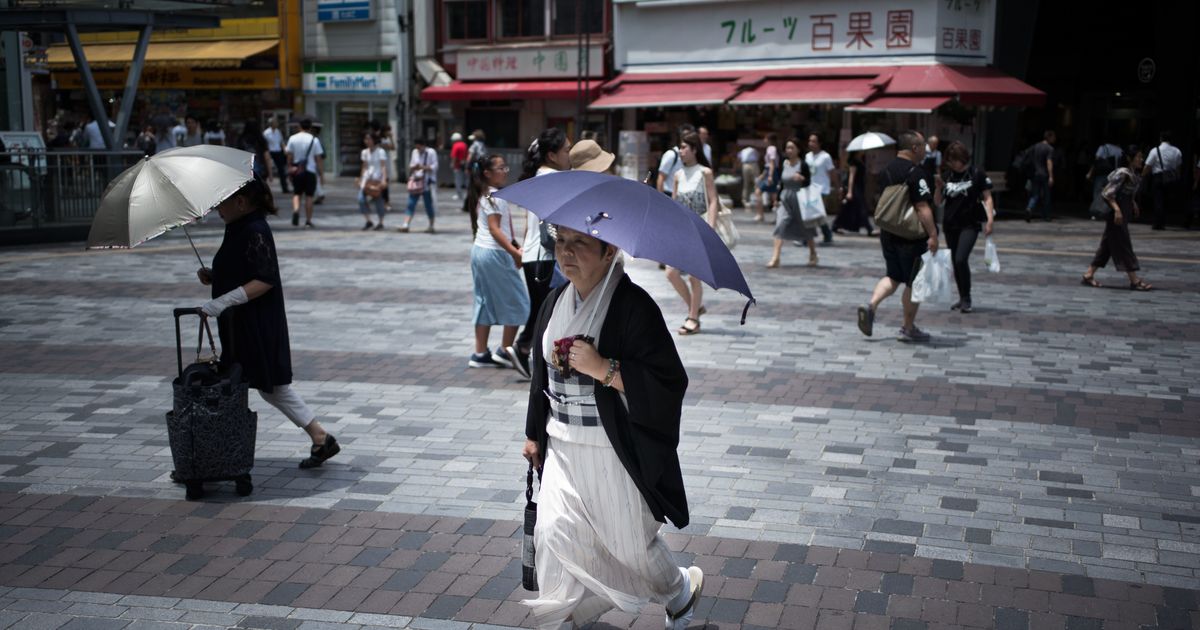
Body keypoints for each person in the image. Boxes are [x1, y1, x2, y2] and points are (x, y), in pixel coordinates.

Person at [520, 225, 704, 630]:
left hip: (612, 449)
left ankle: (679, 591)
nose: (566, 253)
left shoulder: (634, 306)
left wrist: (605, 369)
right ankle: (563, 619)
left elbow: (669, 381)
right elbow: (541, 377)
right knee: (554, 533)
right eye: (561, 242)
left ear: (609, 252)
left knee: (630, 547)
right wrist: (534, 433)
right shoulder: (554, 301)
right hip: (563, 446)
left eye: (580, 244)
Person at [196, 175, 340, 469]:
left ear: (240, 202)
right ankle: (320, 437)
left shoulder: (254, 229)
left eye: (221, 201)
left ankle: (218, 455)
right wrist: (216, 276)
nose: (216, 208)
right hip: (243, 324)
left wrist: (222, 300)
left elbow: (264, 279)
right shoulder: (238, 227)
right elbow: (244, 270)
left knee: (250, 384)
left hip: (257, 324)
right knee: (267, 386)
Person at [857, 129, 939, 343]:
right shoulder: (916, 172)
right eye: (922, 146)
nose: (925, 150)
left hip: (888, 233)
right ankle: (908, 327)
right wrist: (933, 234)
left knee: (893, 276)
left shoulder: (887, 170)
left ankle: (871, 305)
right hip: (911, 237)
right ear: (914, 148)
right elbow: (922, 207)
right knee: (913, 282)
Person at [507, 129, 573, 378]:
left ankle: (526, 350)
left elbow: (529, 222)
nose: (569, 154)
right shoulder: (555, 179)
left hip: (532, 255)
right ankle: (524, 348)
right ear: (552, 155)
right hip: (545, 258)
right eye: (566, 150)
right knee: (547, 311)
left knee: (541, 309)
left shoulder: (537, 177)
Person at [466, 154, 529, 369]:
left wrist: (513, 246)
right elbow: (494, 230)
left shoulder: (485, 194)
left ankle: (480, 353)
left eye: (505, 167)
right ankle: (505, 350)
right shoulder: (495, 196)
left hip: (480, 252)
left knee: (484, 301)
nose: (505, 171)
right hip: (494, 253)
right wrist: (514, 252)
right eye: (501, 168)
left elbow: (498, 229)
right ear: (487, 173)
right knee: (518, 301)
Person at [668, 132, 719, 336]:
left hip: (699, 229)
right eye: (679, 148)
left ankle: (693, 319)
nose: (680, 151)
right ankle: (695, 307)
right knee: (671, 273)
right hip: (681, 230)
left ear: (694, 150)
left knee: (694, 277)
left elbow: (713, 199)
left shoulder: (705, 172)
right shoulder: (678, 175)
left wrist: (711, 228)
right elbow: (673, 204)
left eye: (684, 147)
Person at [1082, 146, 1152, 291]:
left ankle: (1089, 274)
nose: (1141, 159)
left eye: (1141, 156)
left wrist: (1133, 203)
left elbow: (1126, 192)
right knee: (1124, 244)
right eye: (1138, 156)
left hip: (1123, 212)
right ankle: (1134, 280)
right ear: (1129, 158)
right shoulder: (1123, 172)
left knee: (1107, 246)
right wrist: (1117, 210)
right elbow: (1107, 193)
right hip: (1117, 214)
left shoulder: (1131, 173)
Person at [939, 141, 995, 314]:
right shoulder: (947, 175)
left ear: (962, 158)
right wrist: (937, 187)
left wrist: (990, 220)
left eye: (954, 160)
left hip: (970, 224)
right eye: (949, 160)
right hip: (950, 224)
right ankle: (962, 297)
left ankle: (967, 298)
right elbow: (938, 202)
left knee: (961, 259)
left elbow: (987, 198)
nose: (951, 163)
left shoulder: (976, 174)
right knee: (955, 262)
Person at [767, 137, 817, 269]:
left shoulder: (803, 164)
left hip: (800, 198)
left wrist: (801, 178)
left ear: (798, 150)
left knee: (806, 227)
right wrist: (777, 200)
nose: (789, 150)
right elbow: (781, 184)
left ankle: (813, 253)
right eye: (787, 148)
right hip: (786, 199)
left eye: (792, 148)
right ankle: (775, 257)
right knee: (780, 225)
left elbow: (808, 182)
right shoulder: (784, 163)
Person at [284, 118, 325, 229]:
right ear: (310, 127)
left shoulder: (293, 138)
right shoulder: (314, 140)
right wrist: (321, 174)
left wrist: (289, 168)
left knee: (297, 194)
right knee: (309, 196)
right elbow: (318, 158)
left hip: (297, 171)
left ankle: (296, 210)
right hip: (310, 171)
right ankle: (308, 220)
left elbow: (289, 156)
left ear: (299, 126)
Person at [1143, 130, 1183, 230]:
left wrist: (1142, 175)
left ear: (1161, 138)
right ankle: (1163, 222)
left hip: (1159, 177)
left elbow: (1148, 165)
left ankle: (1158, 223)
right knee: (1166, 200)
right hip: (1171, 177)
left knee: (1158, 200)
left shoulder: (1155, 150)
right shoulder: (1177, 151)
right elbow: (1179, 167)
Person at [805, 133, 840, 244]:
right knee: (815, 214)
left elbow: (832, 173)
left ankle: (807, 237)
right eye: (810, 141)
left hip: (822, 189)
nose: (811, 143)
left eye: (814, 141)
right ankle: (826, 235)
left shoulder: (825, 157)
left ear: (819, 143)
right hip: (810, 189)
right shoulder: (808, 156)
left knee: (814, 213)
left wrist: (837, 187)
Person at [400, 138, 439, 233]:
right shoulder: (414, 152)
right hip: (416, 182)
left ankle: (431, 225)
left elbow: (435, 166)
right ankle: (406, 224)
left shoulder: (431, 152)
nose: (418, 149)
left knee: (428, 205)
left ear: (423, 145)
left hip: (427, 183)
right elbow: (411, 165)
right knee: (411, 203)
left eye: (419, 147)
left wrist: (423, 167)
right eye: (416, 147)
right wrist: (415, 167)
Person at [832, 150, 873, 236]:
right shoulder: (854, 163)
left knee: (846, 208)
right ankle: (869, 228)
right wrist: (850, 192)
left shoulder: (860, 161)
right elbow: (851, 177)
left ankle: (835, 225)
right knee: (862, 208)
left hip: (860, 187)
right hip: (855, 188)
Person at [357, 132, 389, 231]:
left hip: (377, 178)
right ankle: (368, 220)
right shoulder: (364, 152)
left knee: (378, 200)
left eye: (369, 139)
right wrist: (361, 178)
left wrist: (384, 179)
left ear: (374, 140)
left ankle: (380, 222)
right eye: (366, 139)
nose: (367, 141)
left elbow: (383, 166)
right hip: (367, 179)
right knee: (361, 199)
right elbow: (364, 166)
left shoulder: (380, 152)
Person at [1025, 130, 1055, 222]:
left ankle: (1029, 208)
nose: (1055, 139)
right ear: (1049, 137)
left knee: (1035, 194)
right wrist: (1051, 176)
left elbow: (1027, 154)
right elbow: (1049, 162)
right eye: (1054, 137)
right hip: (1044, 174)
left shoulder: (1036, 146)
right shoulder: (1049, 149)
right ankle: (1046, 215)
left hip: (1035, 173)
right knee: (1046, 195)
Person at [1085, 140, 1123, 212]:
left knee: (1098, 192)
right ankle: (1106, 211)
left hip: (1101, 173)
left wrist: (1090, 172)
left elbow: (1096, 159)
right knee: (1109, 193)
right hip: (1113, 174)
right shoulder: (1119, 150)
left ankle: (1096, 210)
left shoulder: (1103, 147)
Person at [755, 132, 780, 222]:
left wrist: (770, 176)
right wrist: (763, 174)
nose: (764, 140)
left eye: (765, 138)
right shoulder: (771, 148)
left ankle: (760, 214)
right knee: (774, 195)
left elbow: (772, 163)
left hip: (771, 172)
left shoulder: (771, 148)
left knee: (759, 192)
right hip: (770, 172)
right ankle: (777, 216)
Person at [263, 118, 289, 194]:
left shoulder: (278, 132)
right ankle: (265, 189)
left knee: (281, 170)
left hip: (278, 152)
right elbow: (265, 144)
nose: (276, 124)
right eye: (274, 123)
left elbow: (281, 142)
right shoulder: (266, 133)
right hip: (270, 151)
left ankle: (285, 188)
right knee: (267, 170)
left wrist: (285, 150)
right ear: (271, 124)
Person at [736, 143, 760, 210]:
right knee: (756, 183)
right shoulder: (754, 150)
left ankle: (745, 201)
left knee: (746, 184)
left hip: (745, 165)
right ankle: (757, 199)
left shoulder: (743, 151)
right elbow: (758, 157)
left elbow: (739, 159)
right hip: (753, 164)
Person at [450, 132, 468, 201]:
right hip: (464, 164)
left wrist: (452, 164)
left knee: (458, 180)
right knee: (466, 180)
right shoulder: (464, 145)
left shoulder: (455, 145)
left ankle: (459, 195)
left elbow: (454, 156)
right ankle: (467, 194)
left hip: (457, 165)